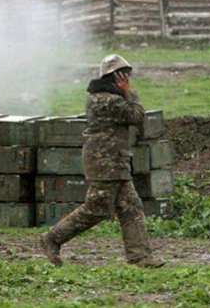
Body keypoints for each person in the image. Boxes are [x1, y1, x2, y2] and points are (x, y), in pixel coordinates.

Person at [40, 54, 165, 268]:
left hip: (114, 161)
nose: (127, 79)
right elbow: (137, 116)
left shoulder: (106, 97)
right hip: (105, 163)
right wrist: (129, 93)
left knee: (131, 207)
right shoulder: (108, 100)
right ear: (115, 77)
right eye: (124, 75)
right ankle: (52, 238)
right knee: (96, 208)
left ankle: (140, 257)